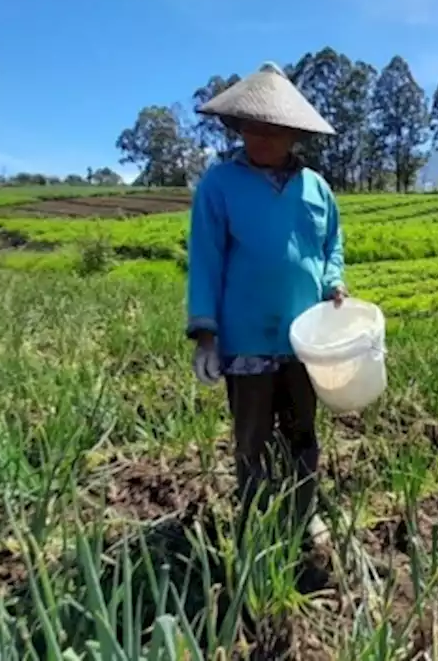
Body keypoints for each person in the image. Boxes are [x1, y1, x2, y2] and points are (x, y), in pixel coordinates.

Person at [186, 62, 345, 549]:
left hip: (305, 338)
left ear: (293, 134)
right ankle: (256, 515)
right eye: (252, 128)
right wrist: (206, 335)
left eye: (272, 130)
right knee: (252, 435)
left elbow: (332, 245)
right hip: (247, 334)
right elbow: (206, 260)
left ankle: (303, 512)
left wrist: (335, 282)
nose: (260, 138)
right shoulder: (220, 185)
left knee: (302, 431)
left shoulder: (316, 188)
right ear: (239, 128)